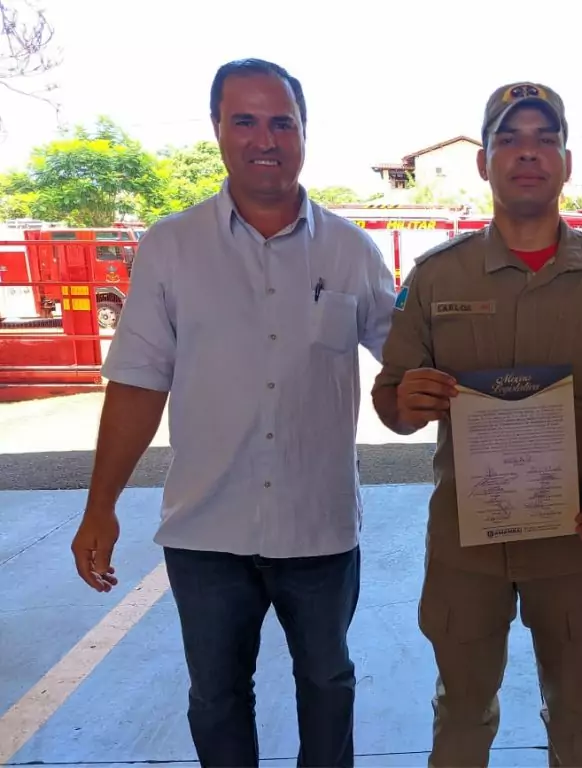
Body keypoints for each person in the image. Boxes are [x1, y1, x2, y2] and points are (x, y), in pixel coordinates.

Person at [69, 58, 396, 767]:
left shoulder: (352, 251)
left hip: (320, 527)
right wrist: (100, 506)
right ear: (217, 128)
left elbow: (406, 365)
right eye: (243, 120)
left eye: (282, 121)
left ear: (305, 132)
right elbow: (135, 384)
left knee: (328, 684)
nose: (264, 138)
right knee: (216, 697)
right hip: (206, 529)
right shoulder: (171, 247)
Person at [371, 81, 582, 766]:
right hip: (465, 548)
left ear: (566, 162)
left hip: (575, 541)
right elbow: (391, 402)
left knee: (577, 712)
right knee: (462, 712)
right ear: (484, 162)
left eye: (545, 139)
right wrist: (403, 402)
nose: (527, 153)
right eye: (509, 139)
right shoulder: (436, 280)